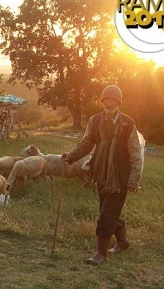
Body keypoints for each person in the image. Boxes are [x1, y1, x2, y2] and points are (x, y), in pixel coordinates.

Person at [61, 84, 143, 265]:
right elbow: (86, 143)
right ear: (103, 101)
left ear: (119, 102)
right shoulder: (95, 120)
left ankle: (101, 253)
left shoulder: (128, 123)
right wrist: (71, 156)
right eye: (107, 99)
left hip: (121, 176)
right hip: (101, 173)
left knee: (106, 214)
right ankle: (123, 242)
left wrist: (134, 179)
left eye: (114, 99)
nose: (110, 102)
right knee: (108, 211)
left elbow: (135, 153)